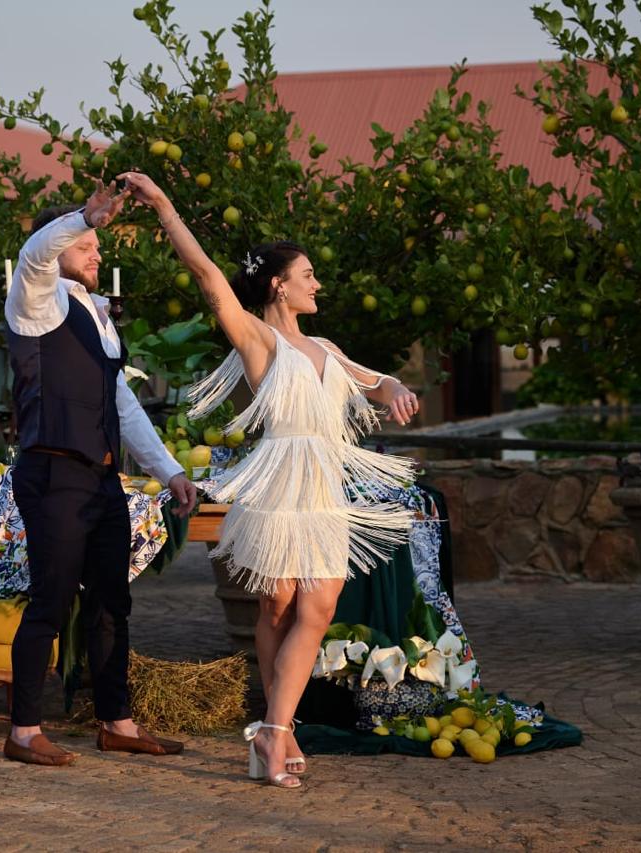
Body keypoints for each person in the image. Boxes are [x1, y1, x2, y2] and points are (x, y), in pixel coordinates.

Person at [119, 170, 421, 788]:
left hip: (323, 489)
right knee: (279, 605)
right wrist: (165, 208)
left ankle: (274, 730)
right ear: (279, 286)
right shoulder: (257, 340)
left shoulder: (327, 348)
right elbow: (208, 278)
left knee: (320, 604)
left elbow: (375, 379)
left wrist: (395, 388)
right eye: (308, 275)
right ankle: (276, 736)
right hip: (278, 484)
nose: (318, 283)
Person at [1, 183, 197, 766]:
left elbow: (121, 404)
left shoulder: (97, 316)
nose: (96, 252)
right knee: (51, 601)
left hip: (102, 481)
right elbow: (36, 254)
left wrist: (168, 470)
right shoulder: (35, 299)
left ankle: (117, 722)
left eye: (95, 242)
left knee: (113, 603)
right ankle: (23, 732)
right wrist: (80, 216)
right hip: (54, 472)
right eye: (85, 243)